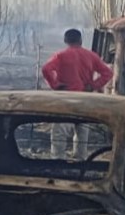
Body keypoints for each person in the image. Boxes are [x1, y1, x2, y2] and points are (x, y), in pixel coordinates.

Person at [42, 28, 114, 158]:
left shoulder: (61, 56)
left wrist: (56, 85)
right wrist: (93, 85)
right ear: (81, 40)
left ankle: (58, 162)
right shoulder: (91, 56)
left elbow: (46, 69)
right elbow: (108, 73)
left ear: (65, 40)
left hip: (66, 99)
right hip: (85, 98)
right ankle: (80, 162)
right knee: (82, 133)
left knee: (60, 133)